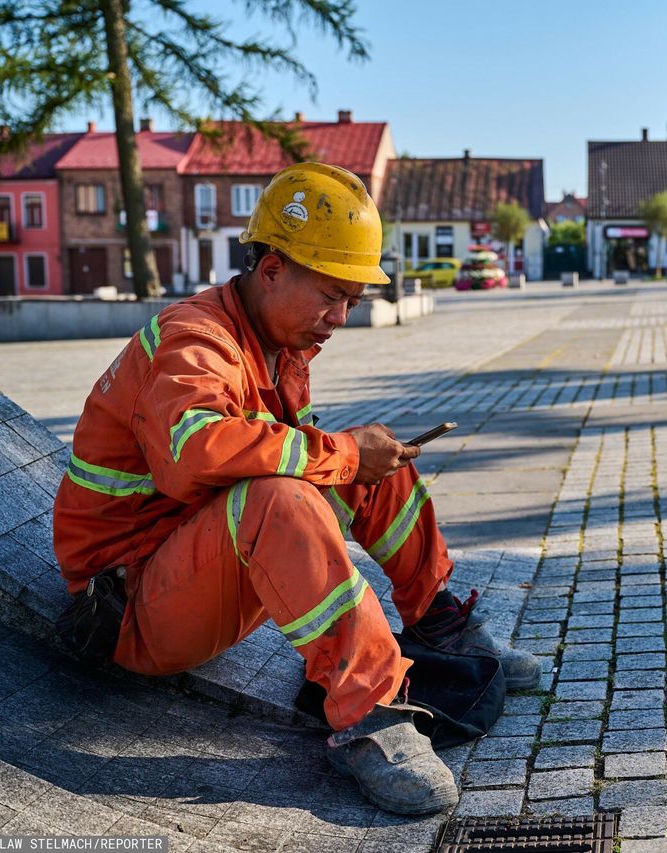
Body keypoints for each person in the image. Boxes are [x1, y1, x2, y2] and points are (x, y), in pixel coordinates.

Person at [53, 161, 540, 815]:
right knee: (292, 491)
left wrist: (351, 458)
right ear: (272, 267)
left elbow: (287, 462)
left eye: (352, 301)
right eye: (329, 294)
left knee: (379, 463)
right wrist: (339, 453)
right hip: (134, 604)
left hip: (198, 556)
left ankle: (441, 625)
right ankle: (369, 716)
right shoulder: (197, 338)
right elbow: (192, 453)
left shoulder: (279, 345)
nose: (338, 317)